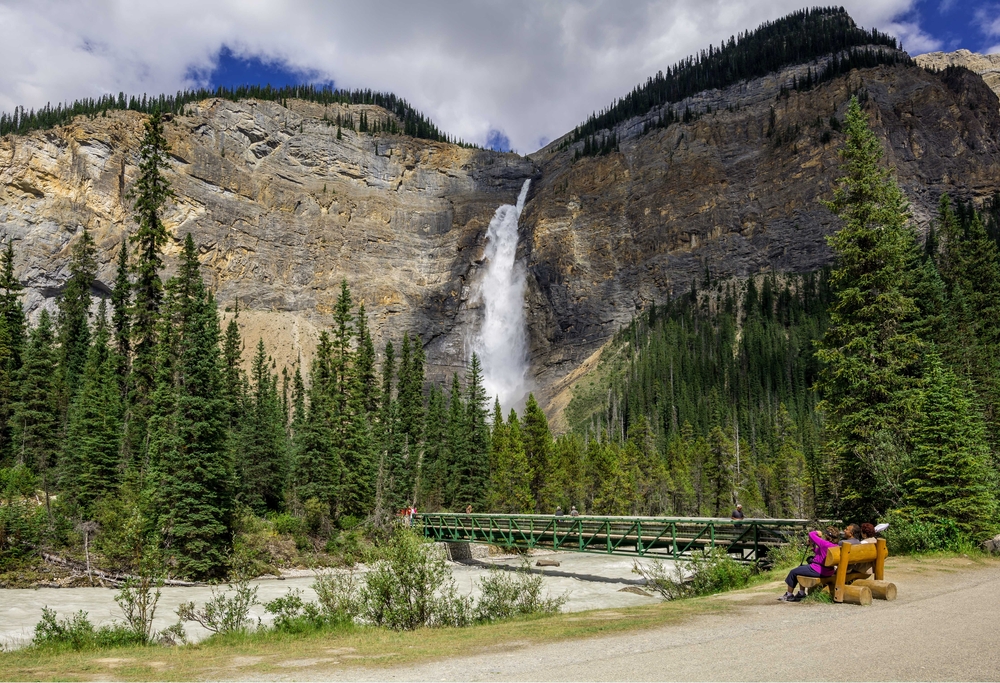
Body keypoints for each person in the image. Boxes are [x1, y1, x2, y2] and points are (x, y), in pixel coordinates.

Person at [779, 529, 838, 602]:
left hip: (818, 569)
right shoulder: (835, 546)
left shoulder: (824, 543)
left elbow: (811, 534)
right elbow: (820, 553)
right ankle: (801, 593)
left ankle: (789, 595)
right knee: (801, 569)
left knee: (793, 572)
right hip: (828, 571)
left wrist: (817, 532)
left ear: (827, 536)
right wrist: (812, 547)